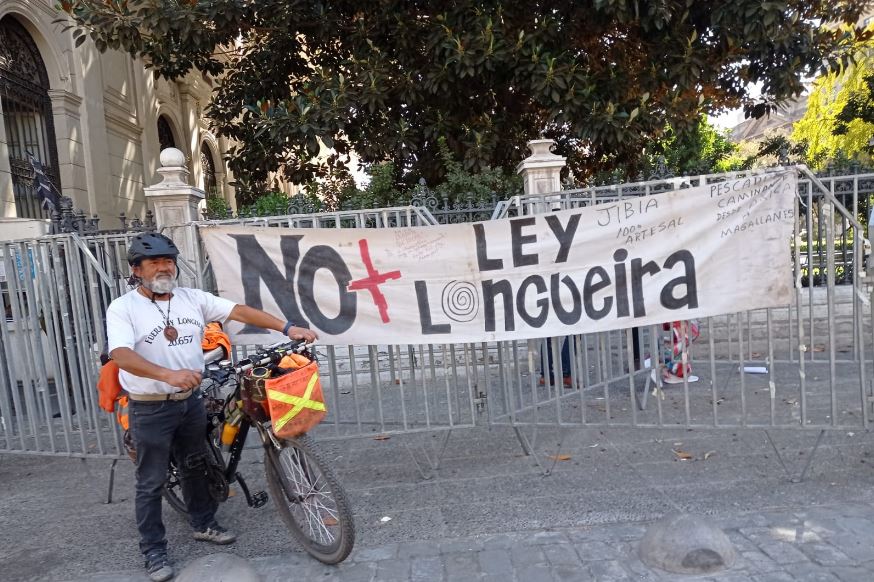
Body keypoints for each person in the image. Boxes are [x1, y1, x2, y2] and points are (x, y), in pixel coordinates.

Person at [106, 232, 317, 582]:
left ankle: (203, 523)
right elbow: (121, 355)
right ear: (136, 270)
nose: (163, 268)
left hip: (189, 402)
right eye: (154, 262)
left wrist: (287, 326)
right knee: (151, 481)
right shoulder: (124, 308)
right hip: (150, 406)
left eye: (168, 261)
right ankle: (154, 550)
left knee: (194, 465)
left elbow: (238, 311)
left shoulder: (191, 299)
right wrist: (166, 374)